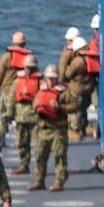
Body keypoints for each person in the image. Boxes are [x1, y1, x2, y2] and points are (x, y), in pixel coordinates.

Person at [28, 64, 70, 192]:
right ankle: (39, 180)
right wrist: (36, 105)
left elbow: (74, 105)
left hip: (58, 129)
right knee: (40, 155)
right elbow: (35, 101)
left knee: (59, 156)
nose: (51, 81)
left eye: (53, 78)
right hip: (43, 128)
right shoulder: (41, 90)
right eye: (49, 78)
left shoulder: (64, 92)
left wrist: (60, 107)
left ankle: (59, 182)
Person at [9, 60, 43, 176]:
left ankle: (40, 166)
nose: (29, 70)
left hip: (35, 118)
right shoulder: (18, 81)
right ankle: (24, 165)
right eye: (27, 67)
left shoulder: (40, 81)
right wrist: (10, 113)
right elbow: (11, 97)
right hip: (20, 117)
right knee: (22, 143)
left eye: (32, 67)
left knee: (38, 144)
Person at [59, 30, 94, 141]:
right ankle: (82, 129)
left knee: (75, 111)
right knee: (83, 110)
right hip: (88, 88)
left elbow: (68, 73)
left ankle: (76, 131)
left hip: (76, 89)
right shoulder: (91, 57)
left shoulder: (78, 61)